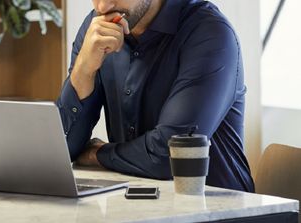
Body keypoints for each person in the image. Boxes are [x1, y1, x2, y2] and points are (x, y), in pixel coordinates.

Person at [57, 0, 255, 192]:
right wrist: (84, 68)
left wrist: (97, 154)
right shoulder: (98, 30)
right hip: (137, 204)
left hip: (219, 210)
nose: (103, 7)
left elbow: (169, 156)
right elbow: (62, 147)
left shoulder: (210, 34)